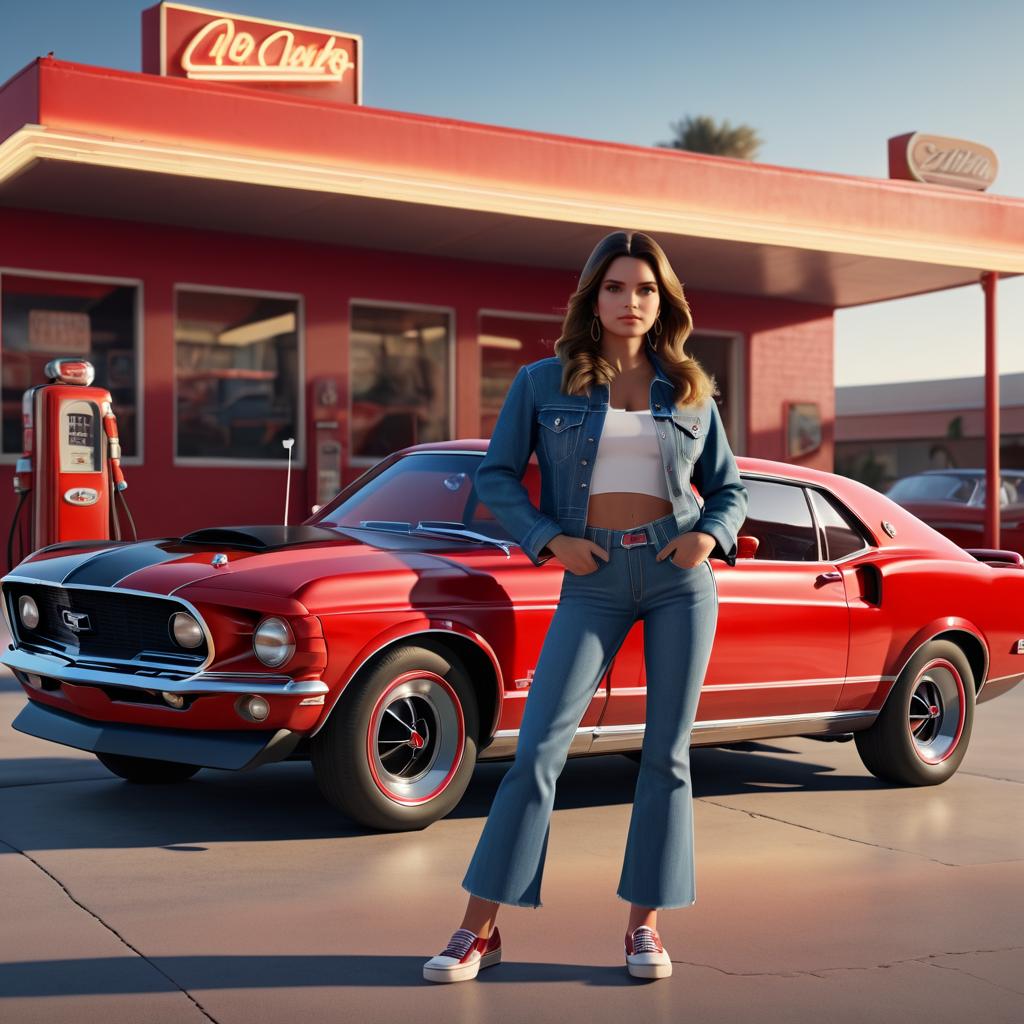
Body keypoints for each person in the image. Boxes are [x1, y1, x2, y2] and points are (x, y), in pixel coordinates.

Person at [423, 230, 748, 983]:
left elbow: (729, 486)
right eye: (615, 287)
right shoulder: (543, 382)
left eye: (645, 289)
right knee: (537, 751)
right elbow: (496, 476)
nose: (630, 302)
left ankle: (646, 928)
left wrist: (709, 537)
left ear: (662, 301)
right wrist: (548, 540)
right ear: (592, 297)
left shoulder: (692, 388)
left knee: (665, 755)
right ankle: (479, 930)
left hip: (677, 576)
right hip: (591, 573)